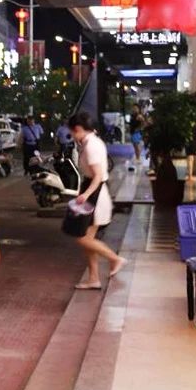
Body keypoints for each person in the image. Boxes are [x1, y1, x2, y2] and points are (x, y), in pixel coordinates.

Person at [69, 112, 128, 290]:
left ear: (78, 129)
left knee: (82, 238)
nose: (71, 135)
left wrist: (85, 195)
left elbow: (97, 176)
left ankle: (114, 259)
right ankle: (93, 277)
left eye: (72, 131)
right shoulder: (90, 143)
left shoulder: (91, 146)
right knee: (87, 237)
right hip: (94, 192)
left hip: (95, 194)